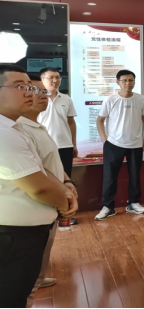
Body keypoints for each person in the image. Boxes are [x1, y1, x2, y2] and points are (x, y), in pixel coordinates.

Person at [0, 64, 74, 308]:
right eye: (20, 87)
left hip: (29, 228)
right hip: (14, 233)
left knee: (23, 288)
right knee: (14, 296)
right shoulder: (4, 132)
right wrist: (65, 203)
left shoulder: (15, 127)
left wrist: (66, 186)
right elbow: (38, 187)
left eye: (30, 88)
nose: (31, 93)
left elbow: (42, 169)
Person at [19, 78, 78, 303]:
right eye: (35, 90)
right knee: (24, 281)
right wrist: (65, 203)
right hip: (33, 208)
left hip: (49, 205)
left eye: (44, 91)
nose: (42, 95)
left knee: (41, 256)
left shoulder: (38, 126)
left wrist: (68, 182)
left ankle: (37, 277)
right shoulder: (19, 129)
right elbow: (38, 175)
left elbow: (49, 165)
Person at [94, 70, 144, 221]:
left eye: (131, 80)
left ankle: (134, 203)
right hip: (113, 144)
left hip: (136, 144)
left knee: (135, 175)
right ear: (118, 82)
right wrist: (104, 139)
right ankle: (108, 207)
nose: (128, 83)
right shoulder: (110, 99)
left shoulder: (141, 99)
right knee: (109, 177)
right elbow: (100, 120)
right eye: (124, 80)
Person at [37, 68, 78, 176]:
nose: (55, 80)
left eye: (57, 77)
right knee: (48, 177)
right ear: (42, 80)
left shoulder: (66, 99)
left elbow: (71, 122)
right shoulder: (36, 99)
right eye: (51, 78)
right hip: (44, 146)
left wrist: (73, 144)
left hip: (65, 145)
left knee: (66, 176)